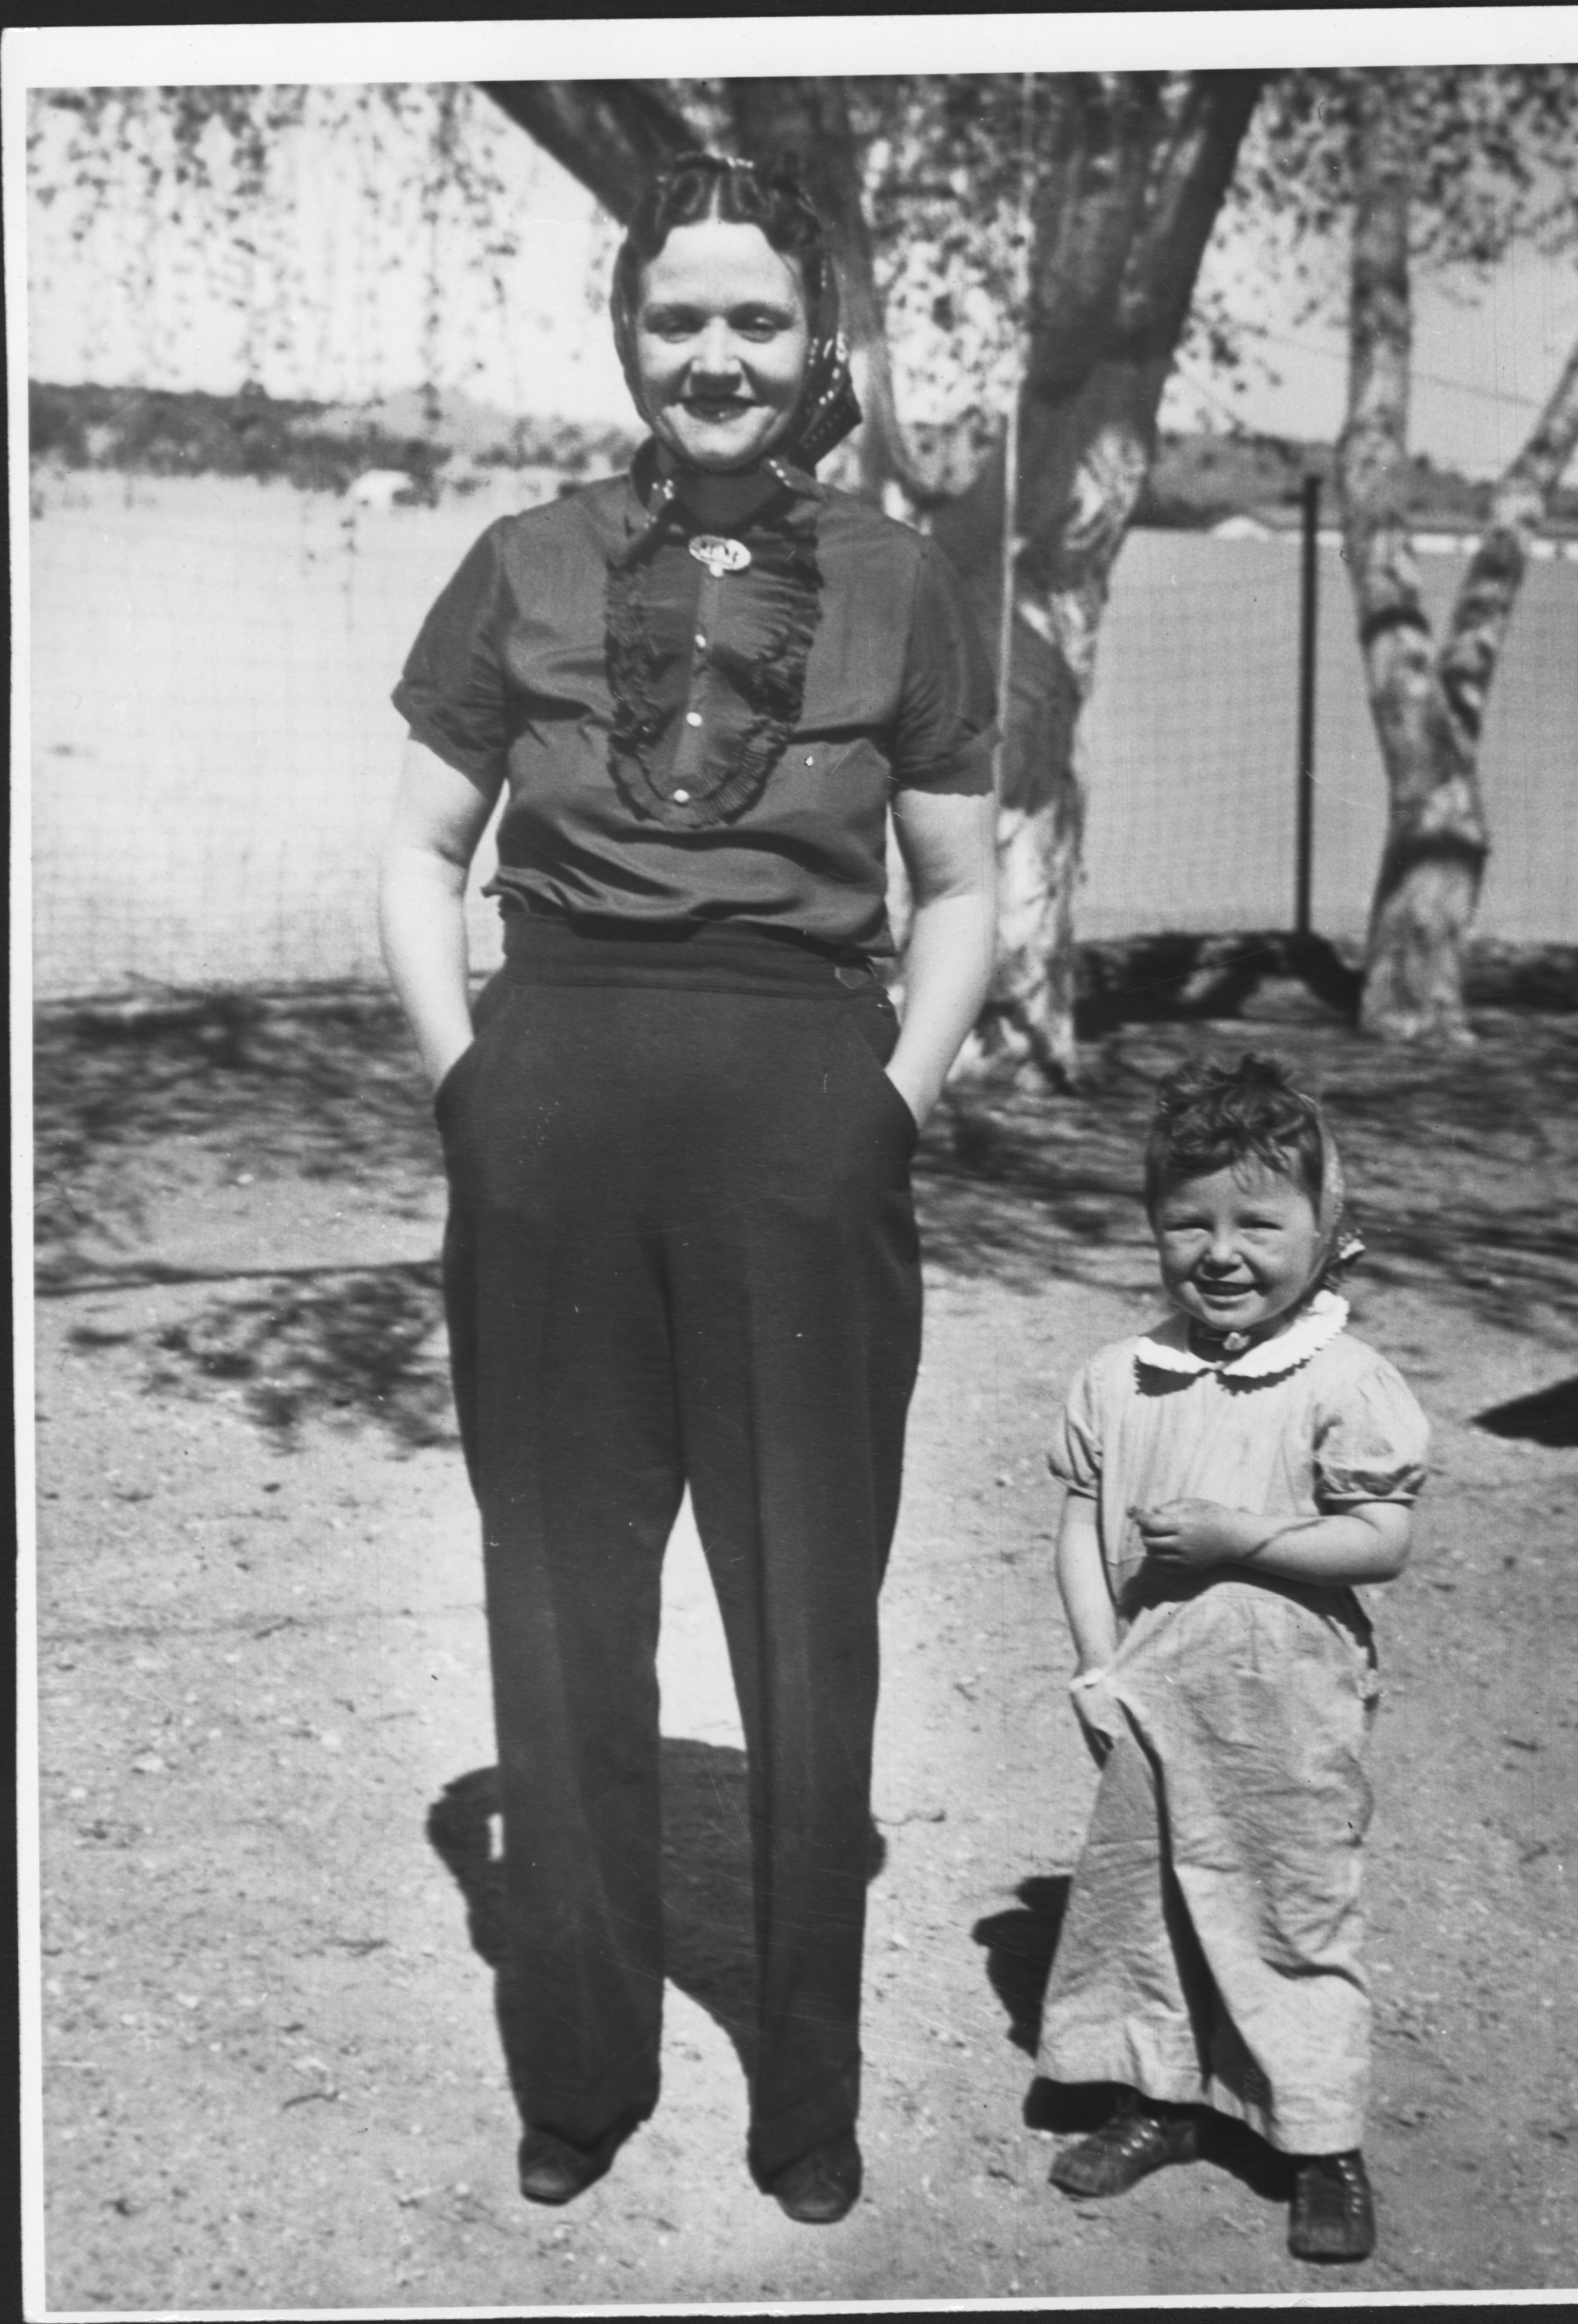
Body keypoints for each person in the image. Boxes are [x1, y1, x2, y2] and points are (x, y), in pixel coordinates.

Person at [378, 152, 997, 2228]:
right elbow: (420, 853)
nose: (715, 356)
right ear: (628, 338)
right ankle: (582, 2065)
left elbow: (961, 886)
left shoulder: (903, 582)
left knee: (806, 1619)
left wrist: (886, 1103)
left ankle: (804, 2094)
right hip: (550, 1120)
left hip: (803, 1129)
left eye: (754, 319)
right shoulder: (520, 561)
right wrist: (469, 1085)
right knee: (561, 1616)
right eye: (677, 319)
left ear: (814, 340)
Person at [1036, 1054, 1429, 2263]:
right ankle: (1161, 2099)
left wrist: (1244, 1538)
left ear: (1329, 1233)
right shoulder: (1120, 1377)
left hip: (1285, 1710)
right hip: (1150, 1693)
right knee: (1146, 1902)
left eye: (1258, 1224)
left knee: (1290, 1909)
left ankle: (1320, 2143)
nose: (1220, 1253)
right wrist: (1097, 1666)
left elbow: (1381, 1541)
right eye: (1187, 1223)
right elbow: (1078, 1528)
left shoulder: (1344, 1381)